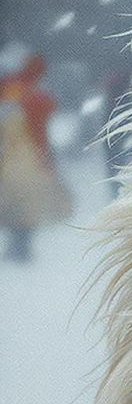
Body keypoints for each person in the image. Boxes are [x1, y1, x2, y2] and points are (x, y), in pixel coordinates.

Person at [0, 48, 70, 261]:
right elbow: (38, 125)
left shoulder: (12, 89)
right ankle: (20, 245)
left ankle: (17, 244)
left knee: (16, 202)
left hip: (13, 156)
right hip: (24, 156)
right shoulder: (31, 94)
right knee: (25, 202)